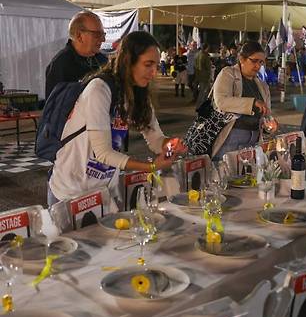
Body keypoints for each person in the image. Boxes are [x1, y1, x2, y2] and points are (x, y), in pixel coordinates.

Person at [47, 31, 187, 206]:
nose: (153, 73)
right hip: (70, 192)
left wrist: (169, 143)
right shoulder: (100, 89)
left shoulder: (139, 93)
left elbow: (155, 139)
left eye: (156, 65)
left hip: (104, 192)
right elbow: (103, 153)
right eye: (148, 64)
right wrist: (150, 167)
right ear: (128, 61)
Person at [209, 41, 271, 160]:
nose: (258, 66)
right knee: (226, 173)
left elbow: (266, 114)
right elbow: (221, 101)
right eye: (254, 61)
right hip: (230, 136)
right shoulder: (228, 74)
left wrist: (269, 126)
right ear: (242, 59)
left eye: (261, 62)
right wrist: (252, 103)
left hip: (254, 140)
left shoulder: (263, 86)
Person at [45, 11, 108, 99]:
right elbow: (55, 107)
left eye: (103, 34)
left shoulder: (104, 61)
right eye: (97, 35)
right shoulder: (60, 65)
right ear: (79, 36)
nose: (103, 39)